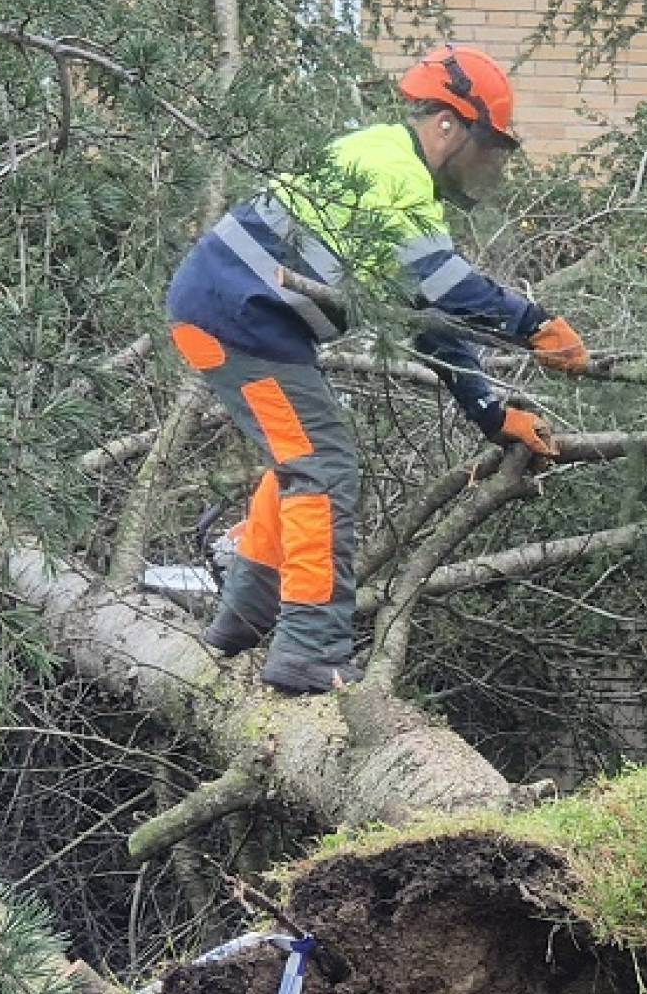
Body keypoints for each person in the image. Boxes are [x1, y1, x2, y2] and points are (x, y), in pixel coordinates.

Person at [163, 45, 590, 694]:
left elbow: (427, 319)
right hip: (238, 319)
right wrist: (534, 323)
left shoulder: (394, 168)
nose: (485, 167)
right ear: (448, 125)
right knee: (322, 466)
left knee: (304, 457)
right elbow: (446, 286)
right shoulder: (392, 167)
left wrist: (490, 413)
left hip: (234, 315)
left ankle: (244, 619)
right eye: (485, 148)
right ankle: (308, 650)